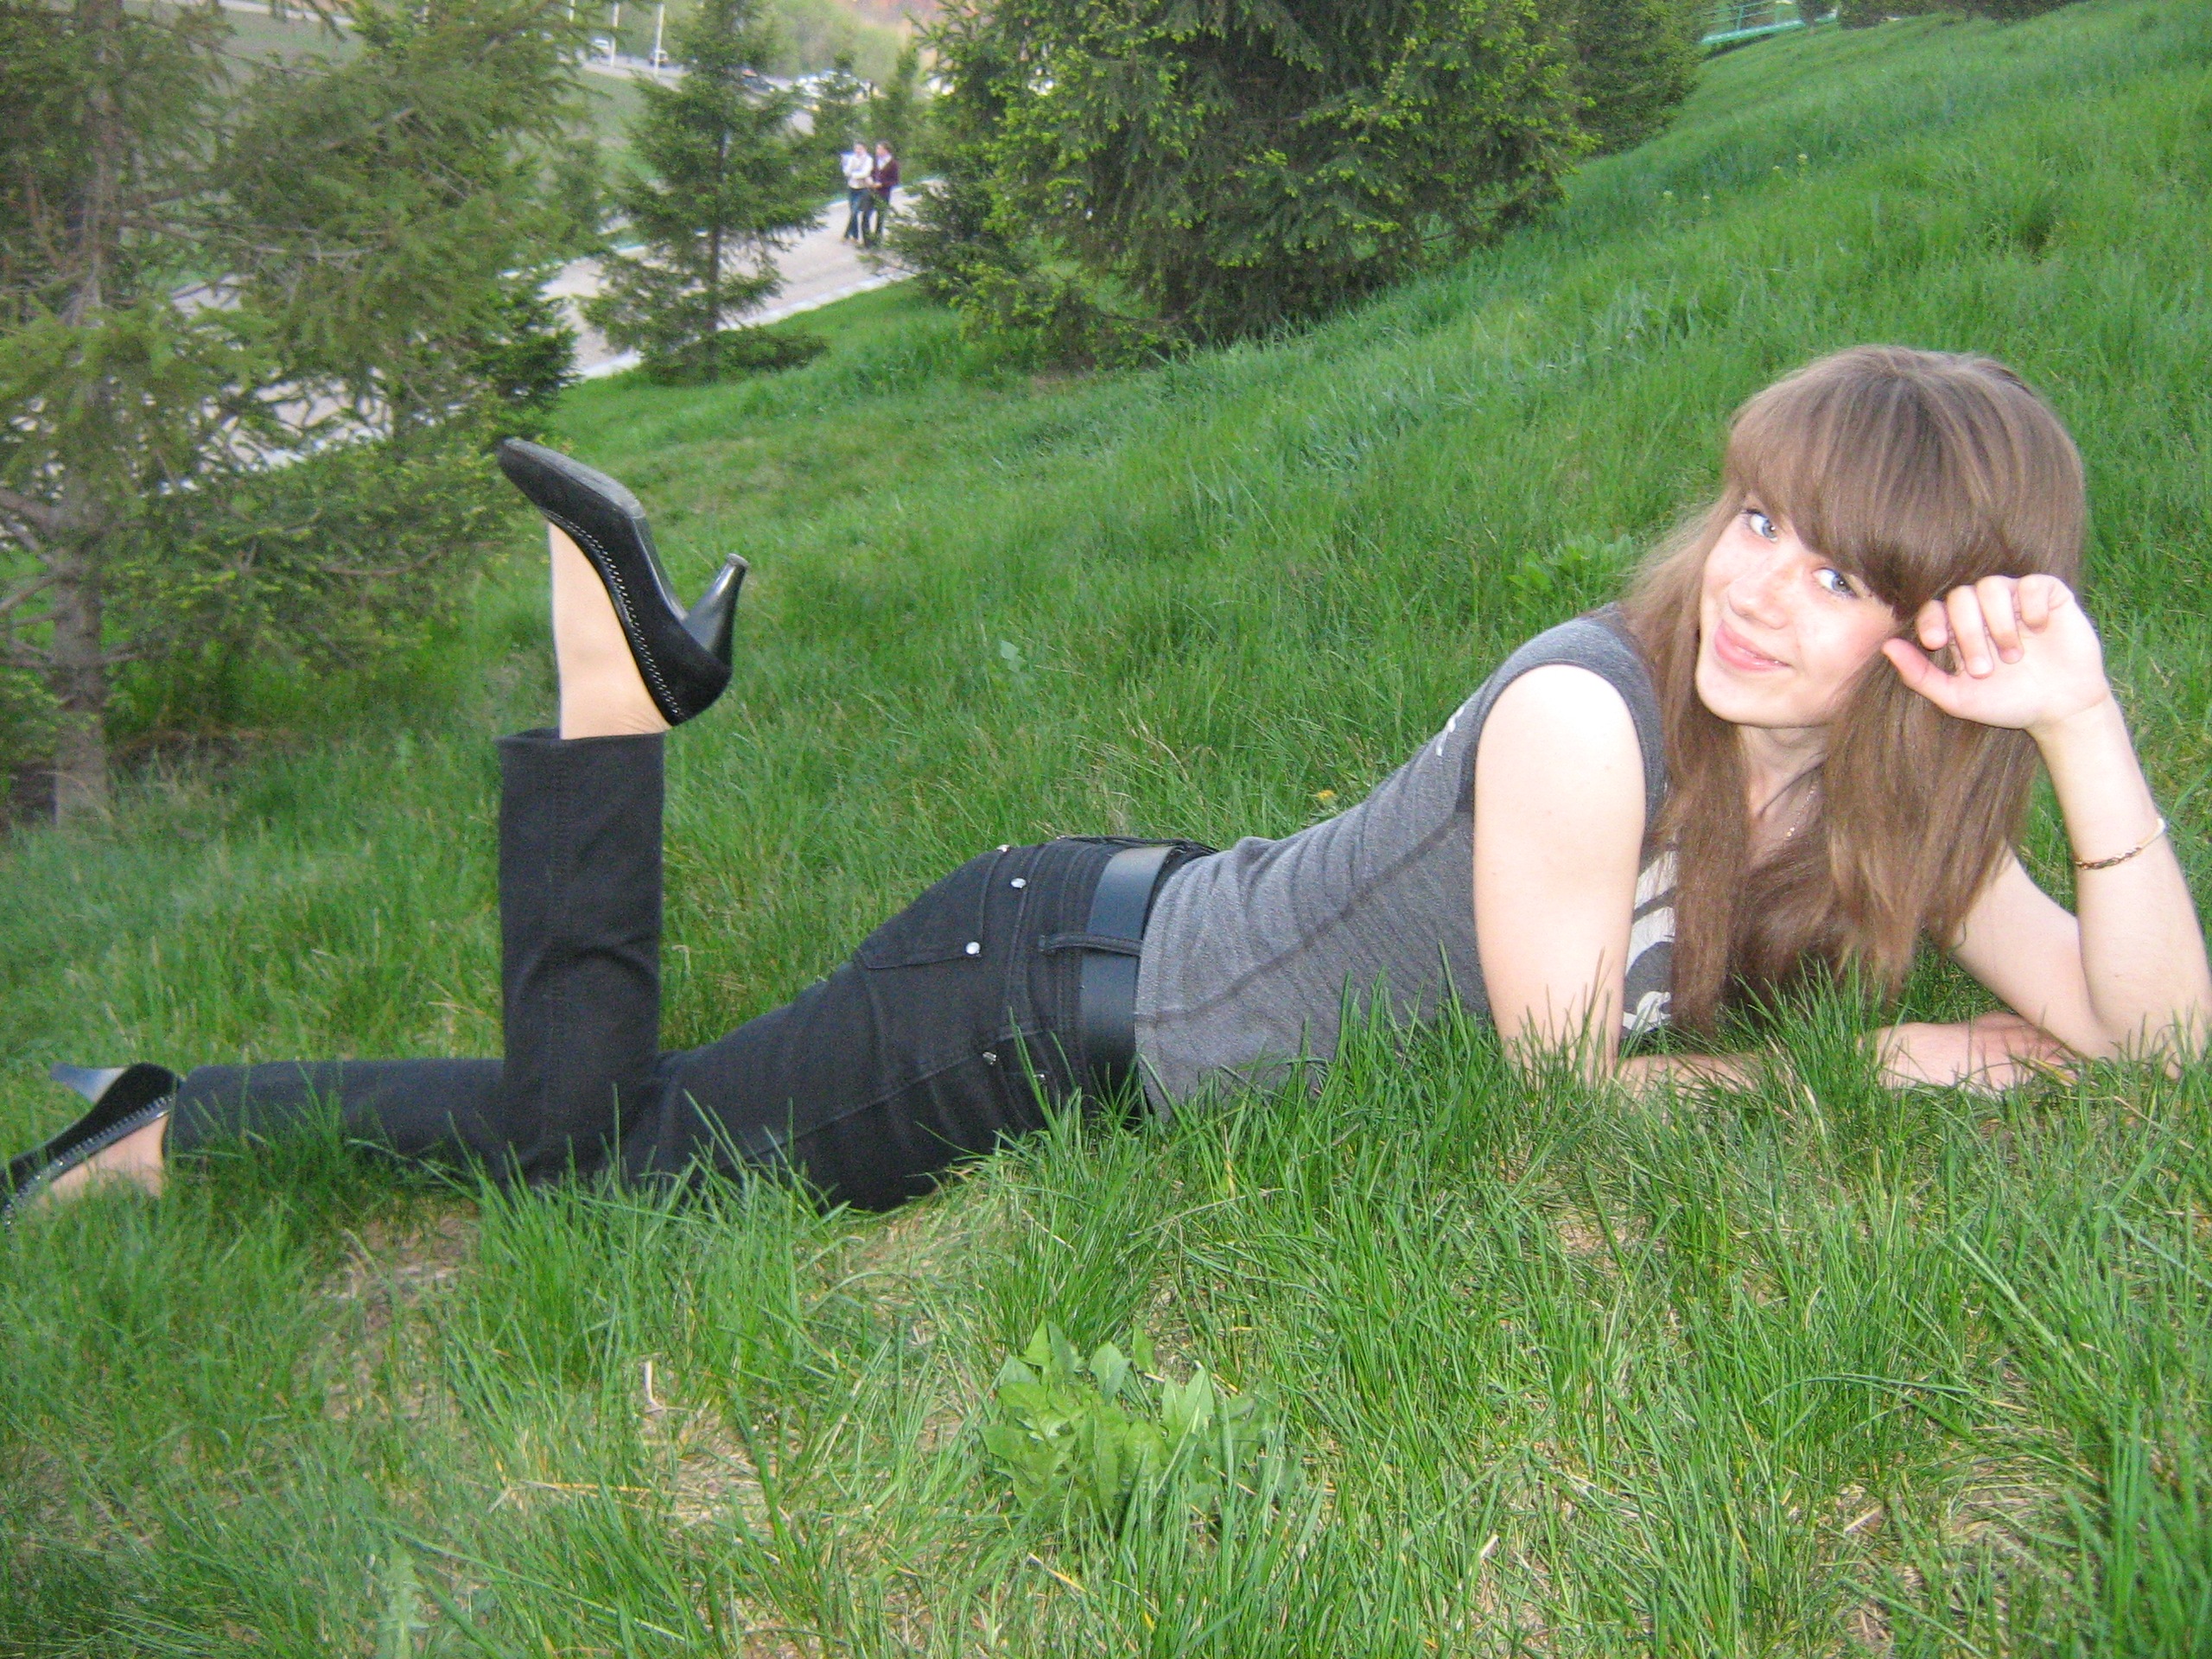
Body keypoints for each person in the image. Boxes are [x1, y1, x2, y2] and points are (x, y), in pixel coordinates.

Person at [9, 347, 2208, 1224]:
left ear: (1931, 629)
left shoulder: (1881, 800)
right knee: (611, 1163)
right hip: (1026, 1007)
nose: (1754, 588)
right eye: (1754, 519)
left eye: (1832, 574)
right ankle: (601, 699)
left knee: (613, 1131)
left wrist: (2074, 729)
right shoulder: (1591, 715)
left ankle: (162, 1114)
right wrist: (1898, 1065)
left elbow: (2157, 1036)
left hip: (1098, 964)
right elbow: (1563, 1097)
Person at [864, 142, 899, 246]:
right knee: (865, 215)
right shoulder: (876, 161)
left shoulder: (893, 164)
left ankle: (877, 241)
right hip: (872, 191)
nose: (877, 151)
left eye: (879, 149)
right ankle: (867, 242)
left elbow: (895, 181)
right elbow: (872, 173)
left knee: (880, 218)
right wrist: (869, 179)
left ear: (886, 150)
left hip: (883, 193)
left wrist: (882, 184)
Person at [841, 140, 875, 243]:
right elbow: (846, 171)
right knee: (853, 212)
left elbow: (865, 173)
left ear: (865, 149)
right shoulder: (852, 158)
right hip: (852, 187)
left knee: (855, 210)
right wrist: (853, 172)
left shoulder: (868, 159)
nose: (857, 150)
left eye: (860, 148)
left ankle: (846, 234)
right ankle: (854, 235)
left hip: (862, 188)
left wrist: (854, 174)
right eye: (856, 148)